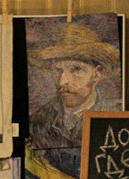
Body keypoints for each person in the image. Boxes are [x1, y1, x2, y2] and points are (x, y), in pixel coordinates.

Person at [28, 23, 121, 157]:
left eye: (76, 69)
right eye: (57, 70)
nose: (62, 81)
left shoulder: (114, 118)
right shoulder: (37, 121)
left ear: (96, 73)